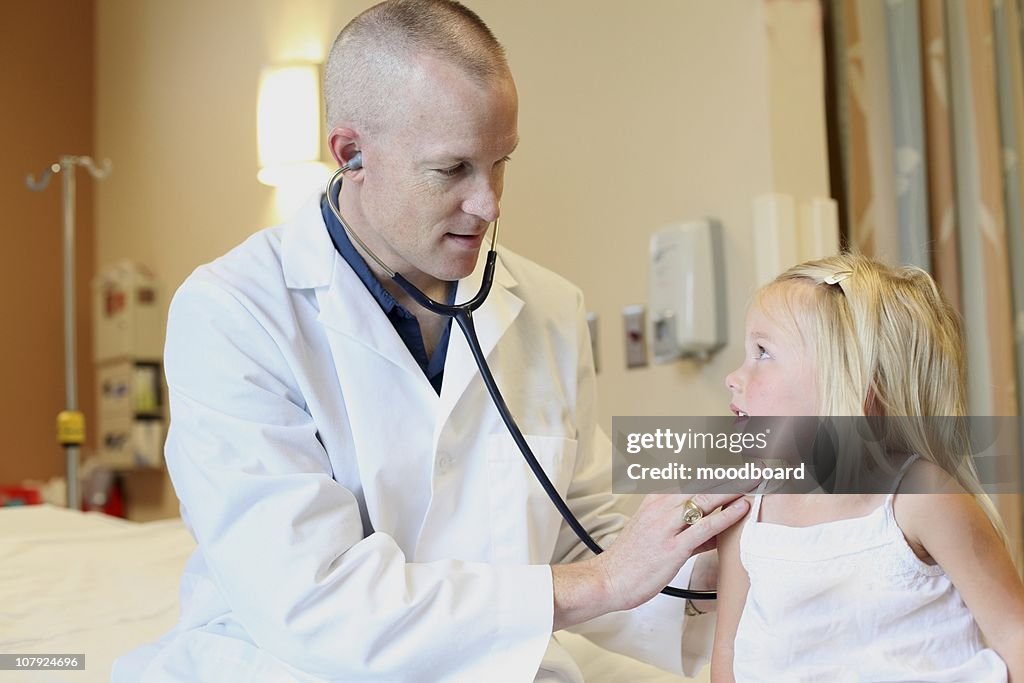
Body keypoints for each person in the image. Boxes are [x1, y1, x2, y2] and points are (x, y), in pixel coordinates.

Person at [113, 1, 749, 681]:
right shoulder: (233, 313)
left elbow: (580, 527)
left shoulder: (549, 308)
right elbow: (313, 599)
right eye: (453, 170)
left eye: (500, 162)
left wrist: (710, 548)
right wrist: (598, 582)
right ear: (351, 152)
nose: (490, 203)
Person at [712, 253, 1024, 681]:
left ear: (854, 383)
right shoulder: (748, 513)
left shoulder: (922, 498)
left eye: (763, 352)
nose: (734, 376)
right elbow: (729, 653)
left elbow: (1015, 635)